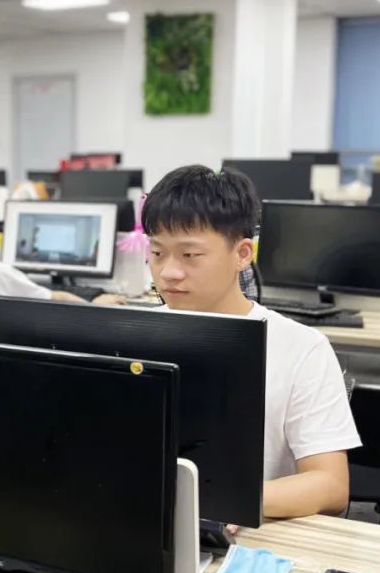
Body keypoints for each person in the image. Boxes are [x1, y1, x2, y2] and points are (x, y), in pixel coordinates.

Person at [141, 165, 361, 520]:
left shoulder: (301, 348)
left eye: (190, 255)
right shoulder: (135, 335)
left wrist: (220, 501)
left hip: (251, 531)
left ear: (242, 254)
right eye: (157, 253)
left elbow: (331, 485)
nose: (168, 272)